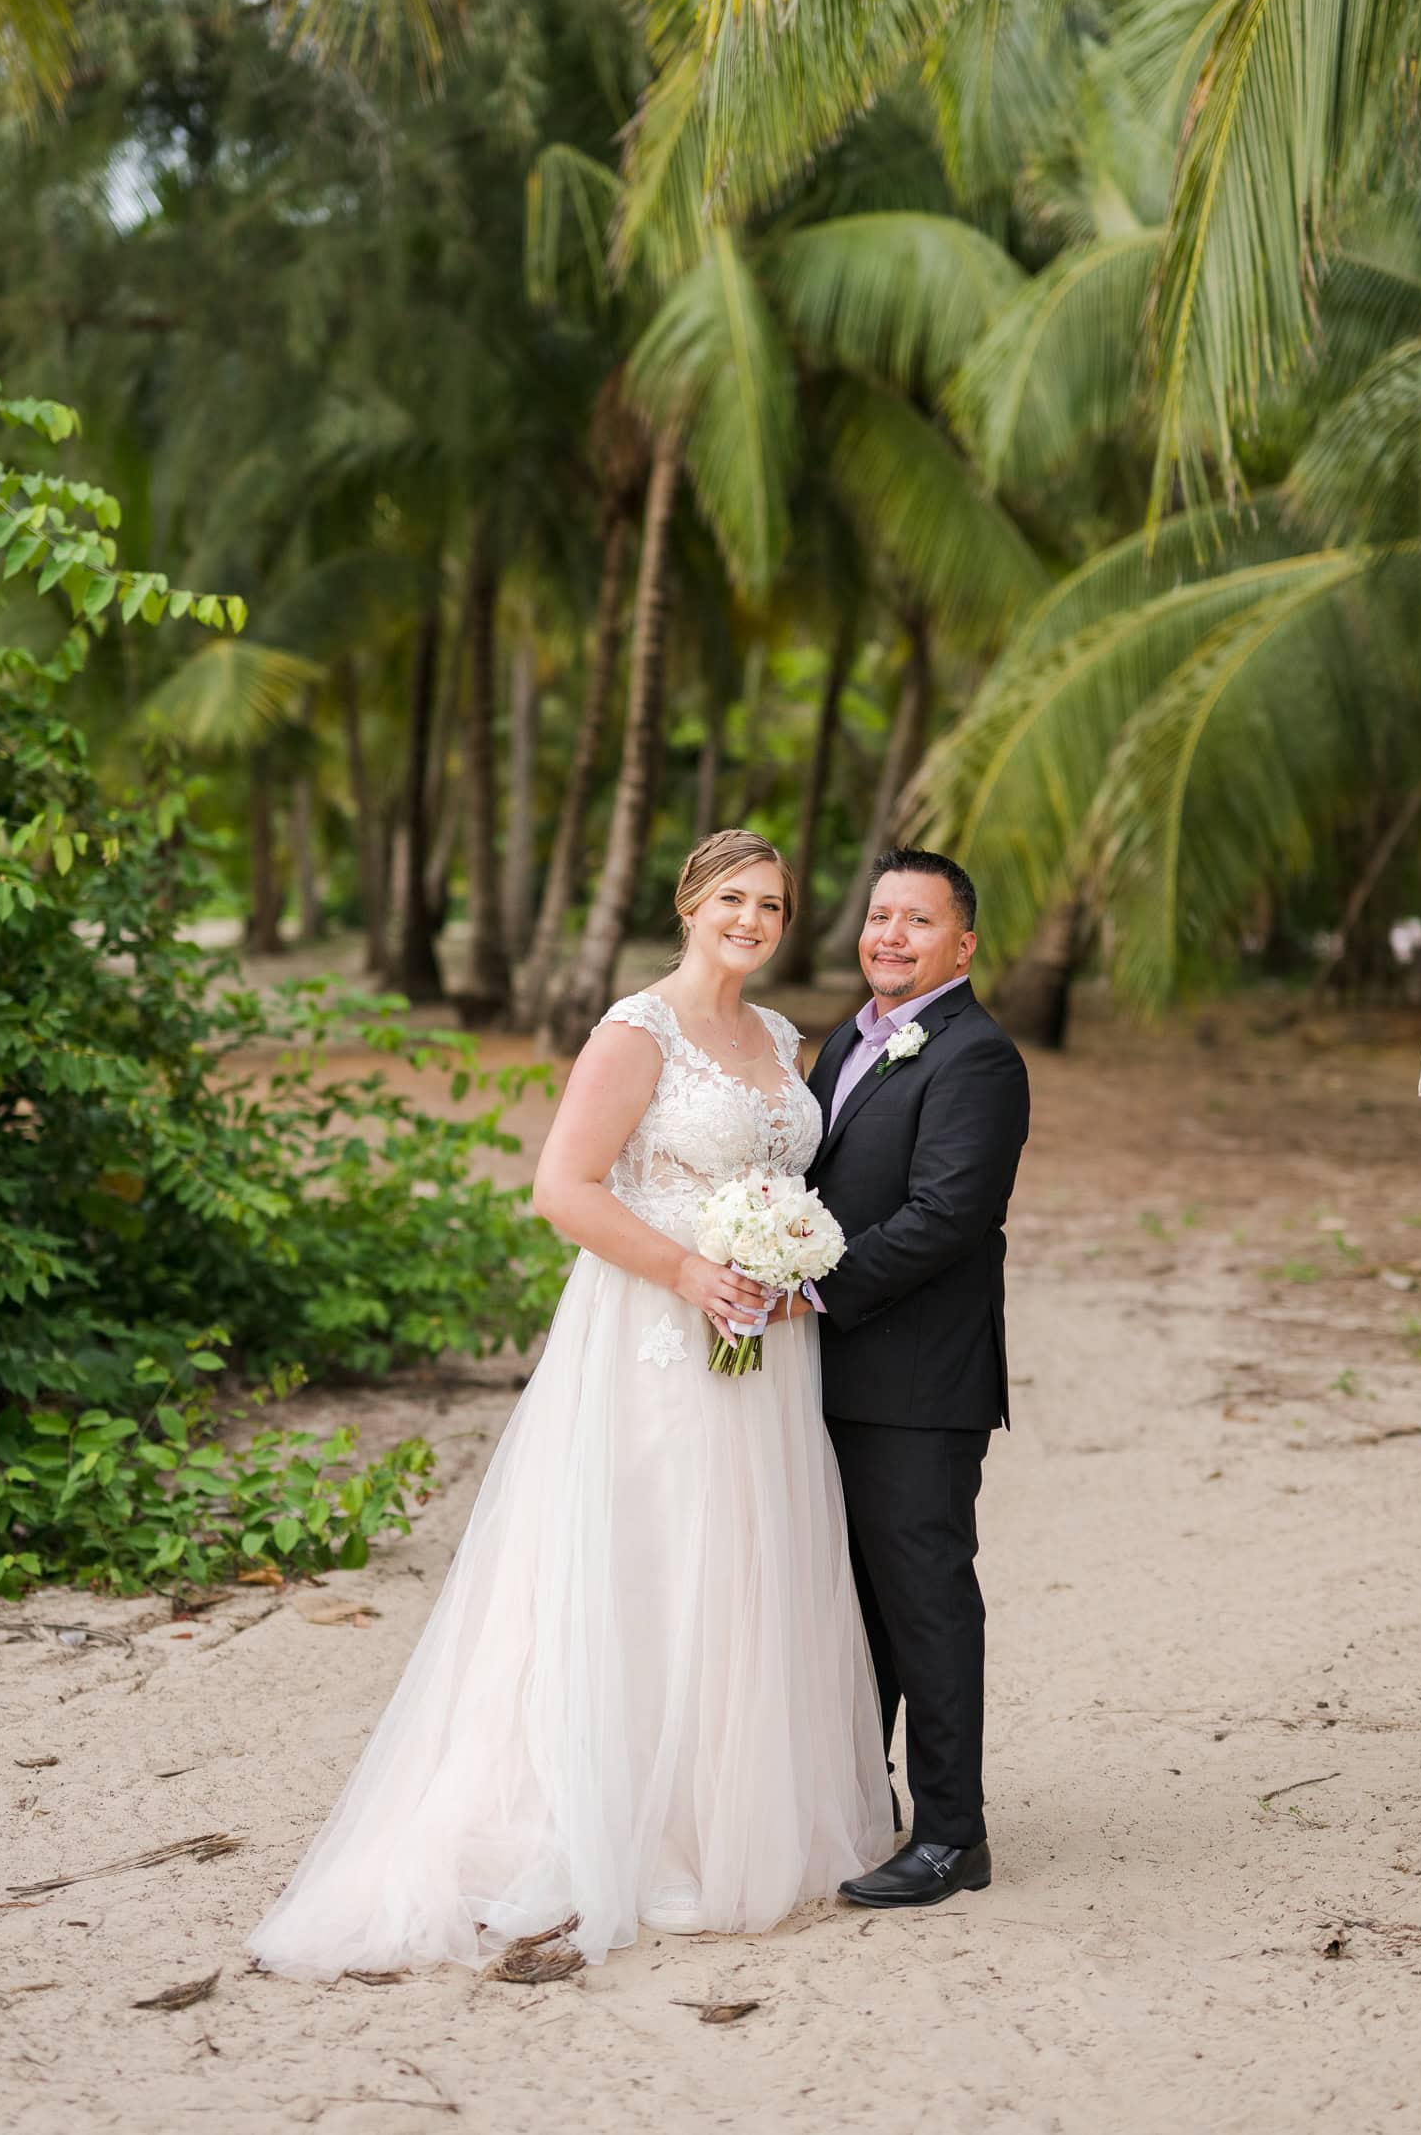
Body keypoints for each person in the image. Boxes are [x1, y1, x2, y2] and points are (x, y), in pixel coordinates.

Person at [247, 831, 890, 1976]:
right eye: (734, 898)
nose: (753, 920)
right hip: (655, 1331)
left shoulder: (785, 1039)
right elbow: (561, 1187)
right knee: (657, 1556)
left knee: (746, 1562)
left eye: (775, 906)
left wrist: (784, 1257)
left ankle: (723, 1816)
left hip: (763, 1343)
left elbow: (795, 1175)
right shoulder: (636, 1029)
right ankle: (622, 1829)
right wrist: (693, 1269)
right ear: (690, 903)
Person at [778, 847, 1030, 1909]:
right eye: (880, 915)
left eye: (916, 921)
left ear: (961, 945)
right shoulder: (851, 1038)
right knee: (854, 1603)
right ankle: (865, 1803)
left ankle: (953, 1837)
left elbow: (946, 1216)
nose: (889, 935)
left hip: (920, 1382)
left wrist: (813, 1289)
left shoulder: (978, 1057)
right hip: (830, 1373)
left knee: (925, 1600)